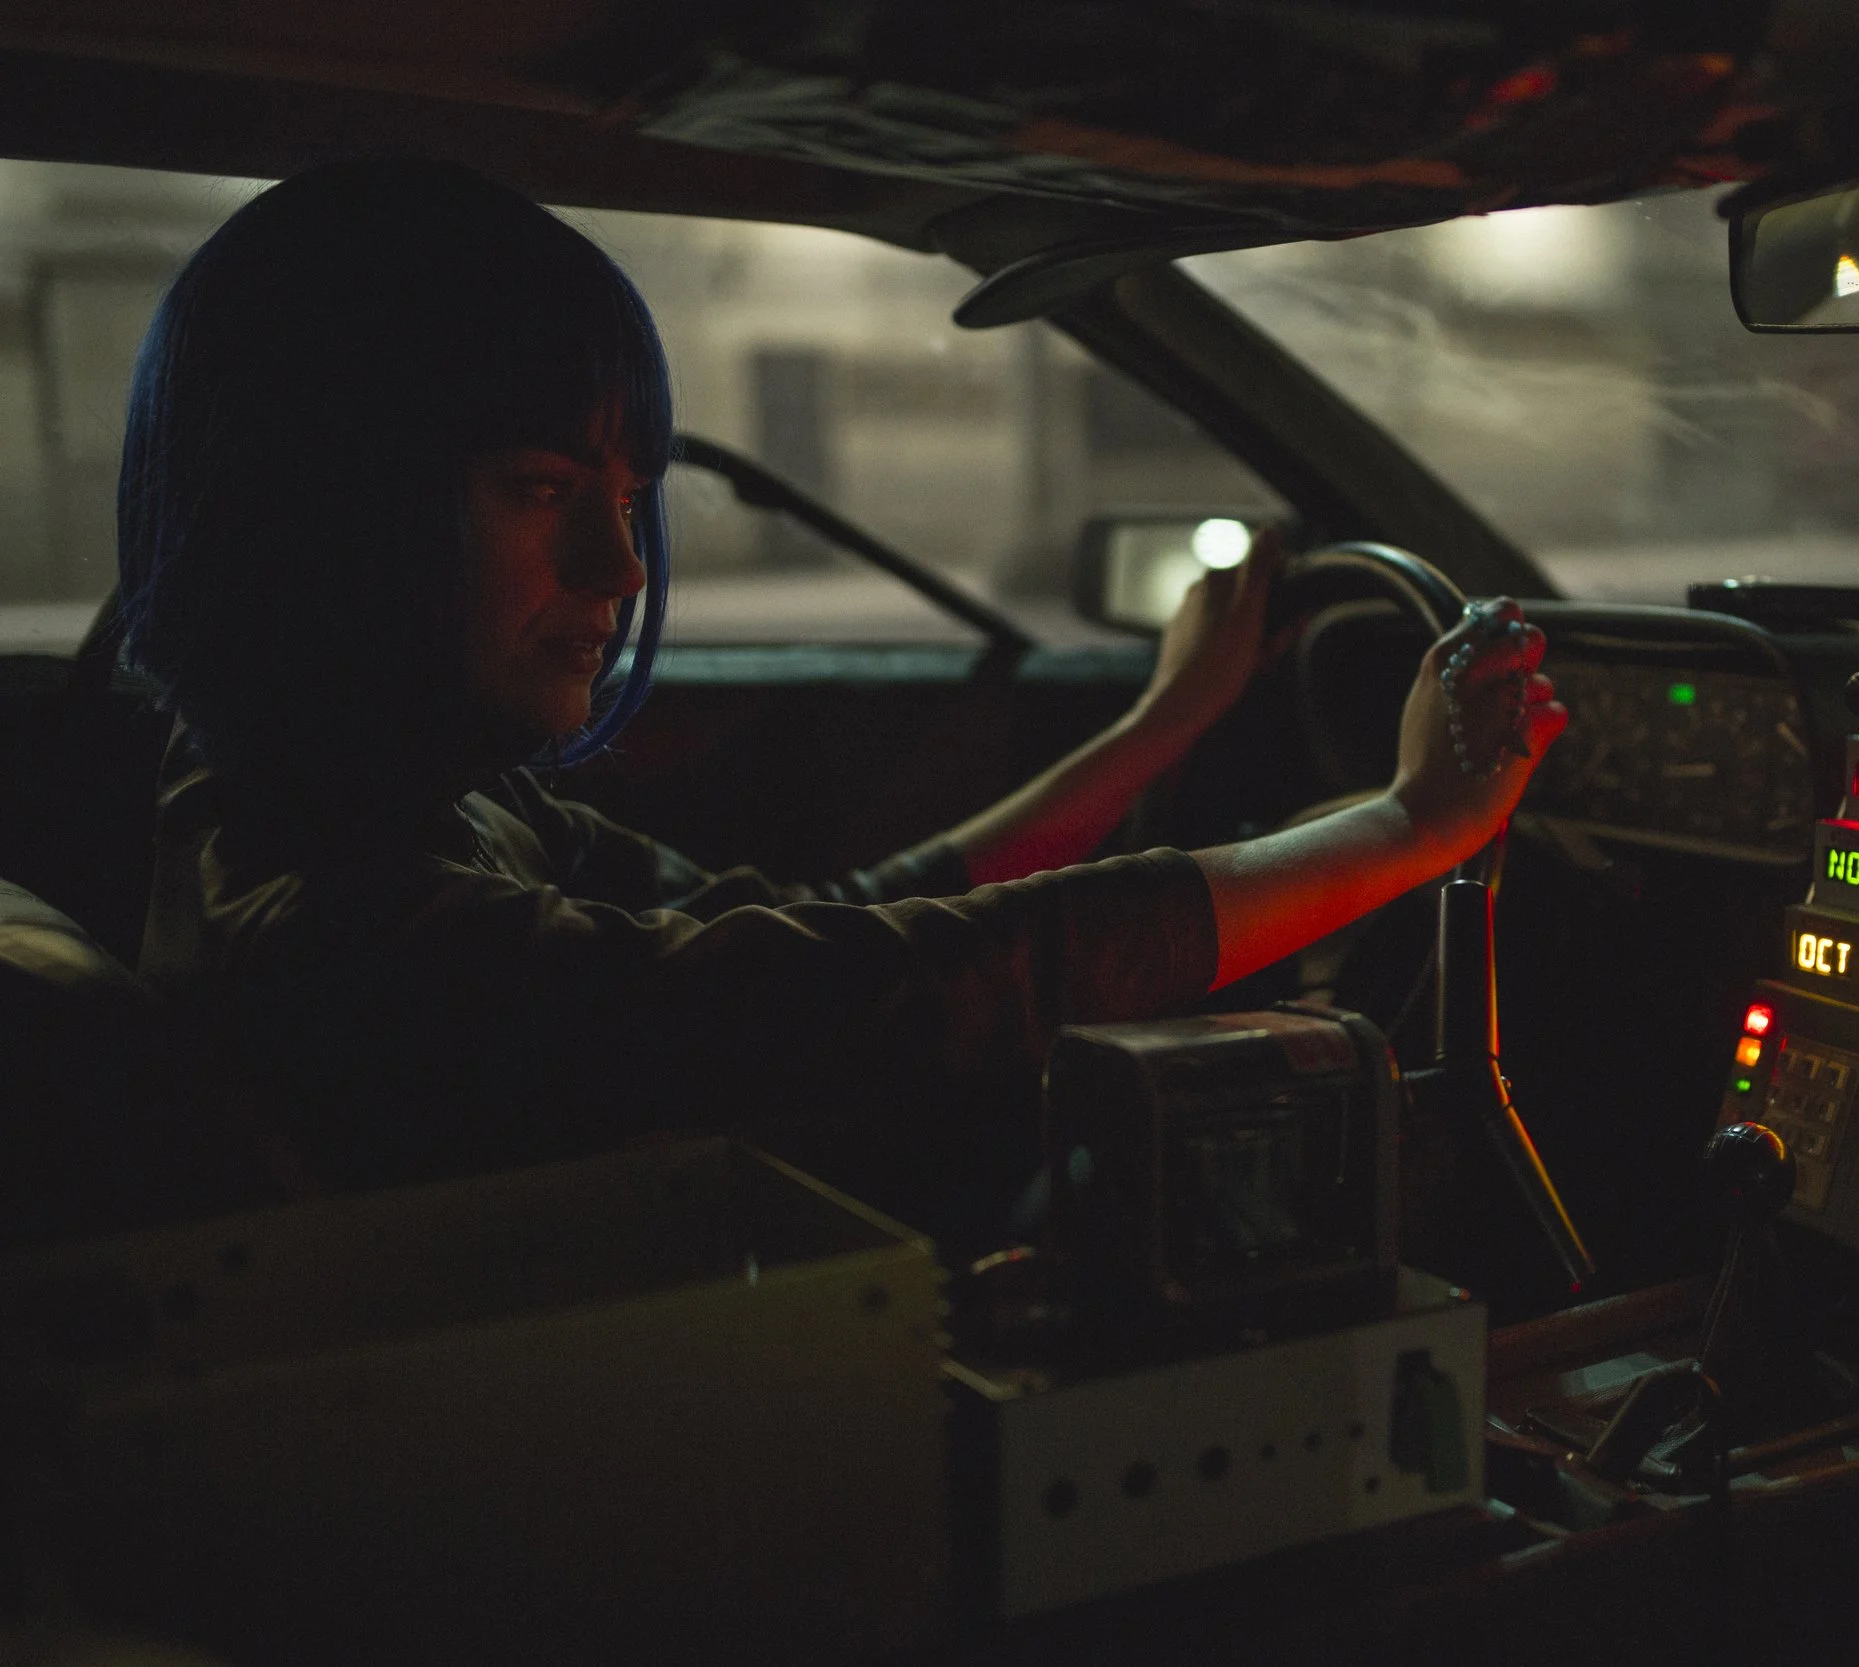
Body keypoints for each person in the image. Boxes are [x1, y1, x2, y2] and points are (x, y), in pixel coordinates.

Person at [121, 160, 1564, 1223]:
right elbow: (873, 999)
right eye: (542, 487)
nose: (620, 563)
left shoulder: (359, 800)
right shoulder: (358, 934)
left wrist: (1156, 731)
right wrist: (1412, 824)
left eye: (629, 496)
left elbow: (827, 928)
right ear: (323, 505)